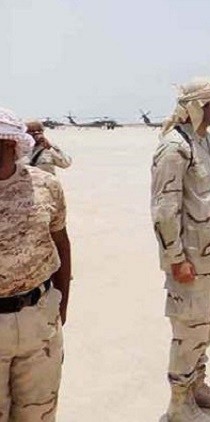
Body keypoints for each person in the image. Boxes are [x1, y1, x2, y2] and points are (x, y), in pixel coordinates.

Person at [150, 77, 210, 421]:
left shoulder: (205, 142)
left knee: (208, 326)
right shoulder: (174, 148)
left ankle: (197, 385)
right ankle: (179, 404)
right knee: (188, 332)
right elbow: (164, 210)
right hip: (190, 263)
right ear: (200, 106)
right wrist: (176, 259)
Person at [0, 107, 70, 421]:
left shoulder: (46, 185)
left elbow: (62, 245)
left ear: (12, 144)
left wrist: (61, 307)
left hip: (38, 318)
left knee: (39, 412)